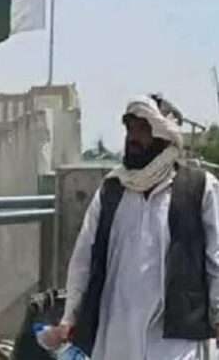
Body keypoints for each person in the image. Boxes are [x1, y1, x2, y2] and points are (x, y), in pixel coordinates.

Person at [56, 95, 219, 359]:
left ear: (164, 135)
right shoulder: (111, 191)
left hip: (176, 340)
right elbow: (83, 258)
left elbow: (216, 256)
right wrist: (71, 316)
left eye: (143, 129)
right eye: (130, 129)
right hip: (115, 336)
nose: (132, 137)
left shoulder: (199, 188)